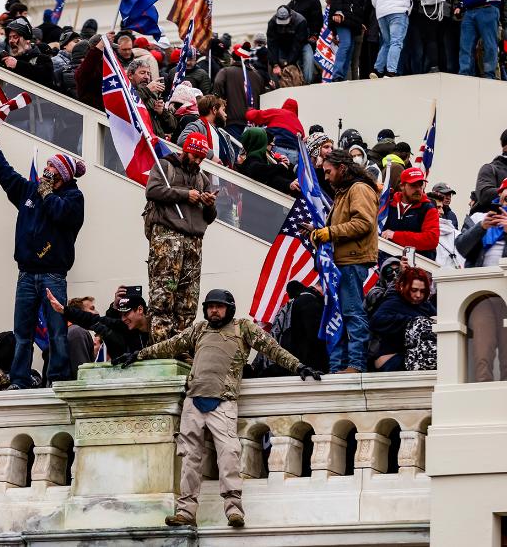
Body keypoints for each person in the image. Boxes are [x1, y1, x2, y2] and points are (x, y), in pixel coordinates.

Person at [112, 289, 322, 528]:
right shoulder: (199, 329)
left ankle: (234, 511)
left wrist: (299, 366)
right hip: (193, 401)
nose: (214, 310)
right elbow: (169, 346)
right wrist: (138, 355)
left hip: (223, 401)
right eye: (210, 306)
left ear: (229, 308)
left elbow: (272, 349)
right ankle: (186, 512)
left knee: (229, 456)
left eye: (219, 306)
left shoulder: (243, 328)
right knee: (189, 458)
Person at [0, 134, 85, 388]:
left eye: (52, 167)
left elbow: (61, 215)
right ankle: (19, 380)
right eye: (47, 165)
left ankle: (58, 379)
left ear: (63, 174)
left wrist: (47, 194)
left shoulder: (74, 198)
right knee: (22, 333)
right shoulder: (30, 190)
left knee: (57, 333)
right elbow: (6, 176)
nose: (46, 170)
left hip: (53, 274)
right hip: (26, 273)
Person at [144, 133, 217, 344]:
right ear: (185, 150)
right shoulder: (165, 166)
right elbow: (153, 190)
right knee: (163, 294)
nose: (198, 161)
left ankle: (180, 346)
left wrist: (209, 202)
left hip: (193, 242)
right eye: (195, 156)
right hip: (167, 237)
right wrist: (185, 194)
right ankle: (160, 345)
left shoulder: (202, 179)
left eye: (201, 158)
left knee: (188, 300)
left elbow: (210, 218)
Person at [310, 149, 378, 374]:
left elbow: (364, 223)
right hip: (340, 264)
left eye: (329, 171)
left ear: (342, 168)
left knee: (351, 313)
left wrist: (329, 232)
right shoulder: (343, 192)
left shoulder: (359, 189)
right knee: (336, 315)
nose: (326, 176)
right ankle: (337, 366)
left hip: (352, 262)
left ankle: (356, 365)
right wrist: (316, 232)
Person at [371, 0, 437, 78]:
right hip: (398, 11)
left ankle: (377, 70)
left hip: (381, 13)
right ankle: (391, 72)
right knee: (396, 42)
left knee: (387, 42)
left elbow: (374, 0)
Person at [48, 286, 148, 361]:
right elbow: (92, 319)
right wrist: (64, 310)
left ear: (140, 309)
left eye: (126, 314)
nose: (123, 318)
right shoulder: (123, 326)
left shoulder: (161, 324)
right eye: (121, 314)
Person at [369, 266, 436, 371]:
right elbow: (376, 320)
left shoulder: (426, 306)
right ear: (401, 286)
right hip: (391, 361)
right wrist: (412, 322)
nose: (418, 295)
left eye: (422, 291)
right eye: (414, 290)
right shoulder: (393, 301)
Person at [380, 166, 439, 259]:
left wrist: (395, 235)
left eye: (420, 185)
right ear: (402, 186)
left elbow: (431, 240)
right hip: (389, 263)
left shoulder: (429, 208)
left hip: (419, 266)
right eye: (413, 185)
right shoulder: (389, 206)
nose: (418, 189)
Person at [328, 0, 367, 81]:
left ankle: (342, 76)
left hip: (352, 18)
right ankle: (337, 75)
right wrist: (338, 11)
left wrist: (360, 21)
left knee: (349, 47)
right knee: (345, 43)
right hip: (342, 16)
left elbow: (357, 2)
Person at [213, 45, 265, 143]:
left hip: (232, 121)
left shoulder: (225, 72)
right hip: (253, 125)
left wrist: (218, 100)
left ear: (233, 59)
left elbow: (217, 85)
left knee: (234, 154)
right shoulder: (258, 76)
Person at [0, 17, 55, 89]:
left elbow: (46, 77)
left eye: (15, 37)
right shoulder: (8, 61)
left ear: (27, 40)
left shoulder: (42, 59)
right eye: (10, 38)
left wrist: (18, 65)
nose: (11, 41)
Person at [245, 98, 303, 166]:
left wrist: (250, 110)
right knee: (288, 175)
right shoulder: (298, 123)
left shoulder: (277, 112)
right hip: (294, 154)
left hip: (277, 149)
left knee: (273, 172)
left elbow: (251, 115)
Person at [237, 128, 295, 195]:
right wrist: (279, 166)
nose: (272, 145)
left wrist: (288, 167)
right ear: (260, 142)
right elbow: (258, 170)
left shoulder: (263, 160)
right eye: (266, 142)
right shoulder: (252, 159)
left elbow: (274, 177)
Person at [129, 58, 177, 140]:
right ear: (130, 75)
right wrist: (147, 90)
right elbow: (129, 104)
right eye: (142, 73)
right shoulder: (126, 91)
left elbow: (172, 127)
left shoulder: (153, 96)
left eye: (148, 74)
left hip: (156, 144)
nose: (146, 77)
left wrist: (162, 113)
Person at [266, 5, 310, 83]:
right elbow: (271, 44)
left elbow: (297, 45)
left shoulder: (301, 21)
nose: (283, 24)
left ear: (290, 16)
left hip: (301, 44)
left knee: (308, 59)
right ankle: (280, 84)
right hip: (282, 45)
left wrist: (288, 63)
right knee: (274, 65)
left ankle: (308, 81)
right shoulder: (272, 23)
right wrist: (275, 64)